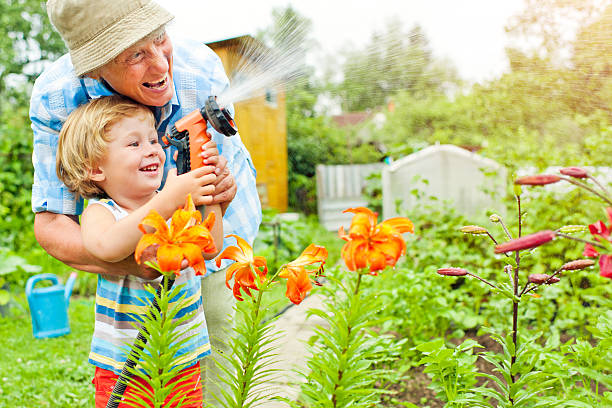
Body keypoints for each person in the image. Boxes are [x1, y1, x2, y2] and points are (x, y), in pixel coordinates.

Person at [30, 0, 262, 404]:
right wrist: (146, 258)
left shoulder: (198, 69)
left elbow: (210, 243)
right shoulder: (57, 97)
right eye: (135, 54)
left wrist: (216, 201)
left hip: (207, 259)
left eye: (160, 39)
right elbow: (58, 224)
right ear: (94, 67)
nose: (160, 66)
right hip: (128, 324)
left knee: (219, 354)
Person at [56, 95, 222, 406]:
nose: (152, 150)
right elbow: (104, 247)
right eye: (134, 144)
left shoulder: (173, 203)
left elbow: (210, 247)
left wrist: (206, 182)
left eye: (152, 140)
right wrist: (168, 200)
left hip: (183, 360)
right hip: (124, 369)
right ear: (95, 169)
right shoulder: (102, 213)